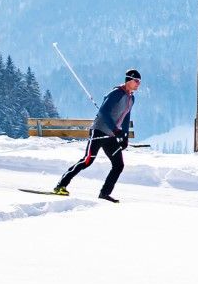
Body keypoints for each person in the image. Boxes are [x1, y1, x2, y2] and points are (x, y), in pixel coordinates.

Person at [51, 70, 140, 201]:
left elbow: (127, 117)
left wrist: (125, 136)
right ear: (129, 80)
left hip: (110, 136)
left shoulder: (131, 98)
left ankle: (104, 193)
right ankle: (61, 186)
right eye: (137, 81)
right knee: (87, 161)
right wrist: (115, 129)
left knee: (118, 165)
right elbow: (103, 111)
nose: (138, 84)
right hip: (99, 131)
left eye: (140, 82)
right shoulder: (116, 93)